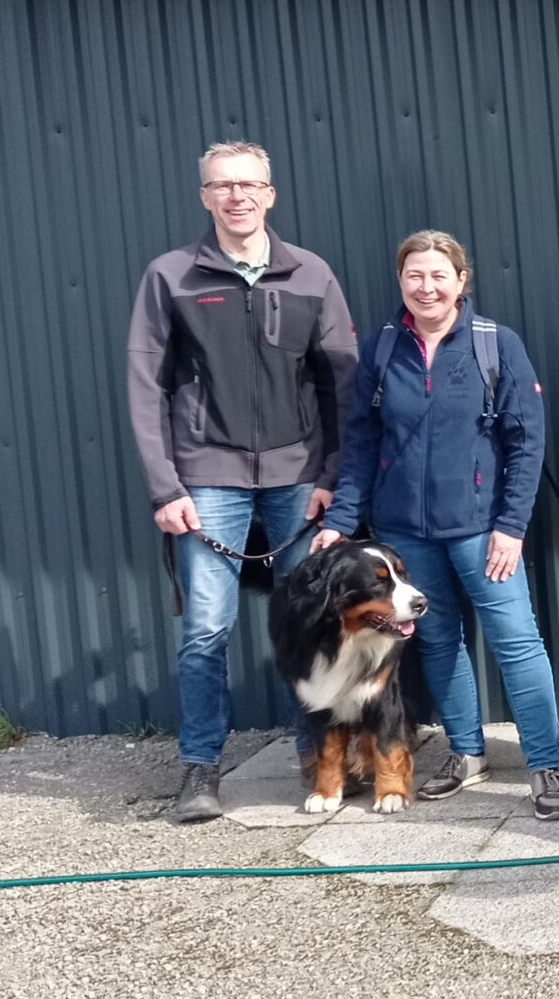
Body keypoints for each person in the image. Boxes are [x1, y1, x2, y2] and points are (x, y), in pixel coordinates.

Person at [126, 141, 357, 824]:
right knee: (206, 628)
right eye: (223, 185)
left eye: (249, 184)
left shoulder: (311, 273)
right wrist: (166, 488)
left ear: (269, 194)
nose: (237, 196)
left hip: (298, 477)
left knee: (313, 621)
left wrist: (332, 476)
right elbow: (145, 386)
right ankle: (200, 768)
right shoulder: (170, 276)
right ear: (205, 196)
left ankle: (317, 758)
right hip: (206, 477)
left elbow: (342, 384)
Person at [311, 231, 559, 821]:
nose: (426, 287)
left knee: (517, 642)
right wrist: (341, 520)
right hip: (405, 536)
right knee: (436, 640)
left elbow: (526, 443)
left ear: (460, 281)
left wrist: (511, 525)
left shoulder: (494, 344)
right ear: (401, 281)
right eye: (414, 276)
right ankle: (466, 752)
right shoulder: (381, 349)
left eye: (438, 276)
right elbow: (361, 444)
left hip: (483, 530)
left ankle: (543, 765)